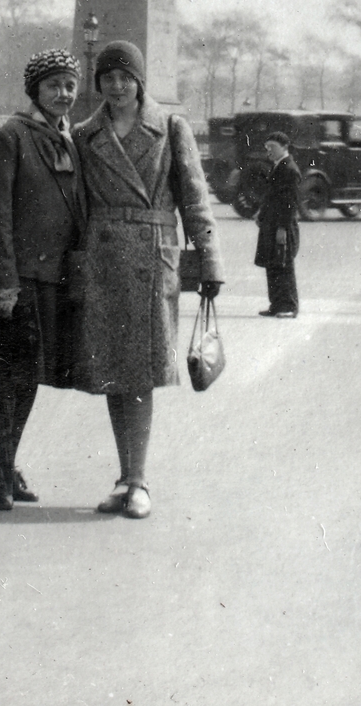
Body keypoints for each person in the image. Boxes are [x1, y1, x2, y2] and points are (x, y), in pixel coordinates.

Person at [73, 40, 224, 520]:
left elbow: (196, 198)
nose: (117, 86)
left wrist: (211, 261)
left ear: (140, 82)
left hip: (151, 255)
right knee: (116, 372)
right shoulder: (83, 133)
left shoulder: (171, 128)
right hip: (105, 257)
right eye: (108, 78)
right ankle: (126, 476)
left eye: (126, 78)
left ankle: (138, 480)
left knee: (139, 373)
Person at [0, 49, 85, 513]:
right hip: (20, 281)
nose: (62, 94)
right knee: (11, 378)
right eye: (53, 86)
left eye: (69, 85)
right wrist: (6, 282)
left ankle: (4, 463)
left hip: (54, 279)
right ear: (34, 91)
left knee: (32, 379)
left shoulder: (71, 140)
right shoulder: (12, 136)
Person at [255, 132, 300, 318]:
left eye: (272, 147)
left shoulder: (289, 169)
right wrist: (261, 213)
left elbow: (290, 202)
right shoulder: (278, 167)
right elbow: (271, 197)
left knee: (283, 265)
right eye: (267, 148)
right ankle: (276, 304)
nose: (269, 152)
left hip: (282, 227)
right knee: (272, 264)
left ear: (284, 147)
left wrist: (282, 228)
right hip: (271, 225)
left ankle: (289, 306)